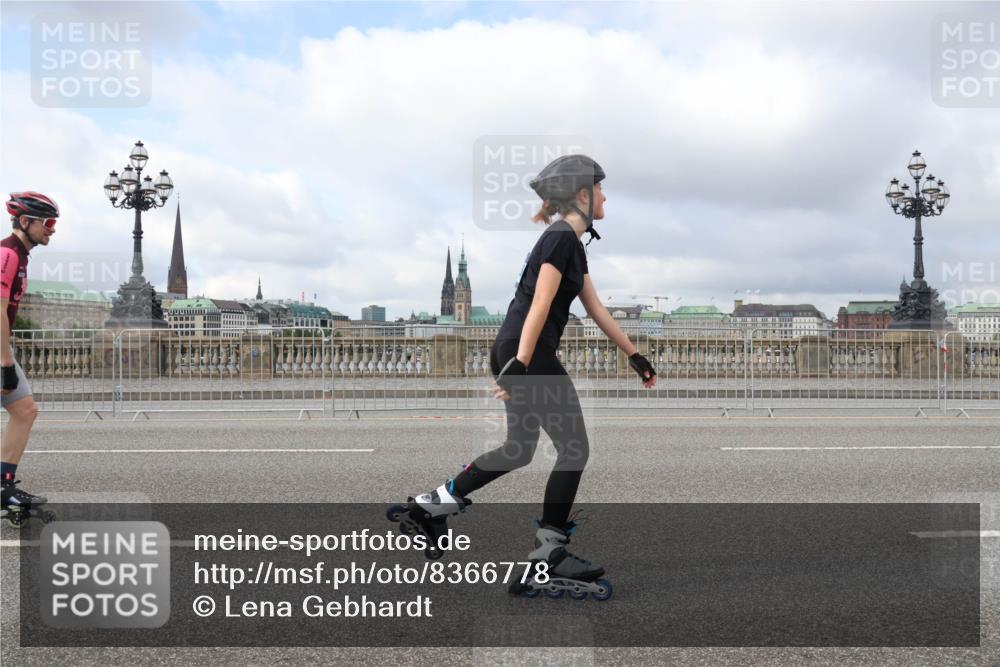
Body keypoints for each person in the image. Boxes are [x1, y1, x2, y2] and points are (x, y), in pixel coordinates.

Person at [388, 156, 656, 598]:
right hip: (526, 355)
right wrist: (523, 362)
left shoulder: (569, 242)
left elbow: (595, 308)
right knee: (574, 448)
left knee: (518, 450)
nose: (607, 197)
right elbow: (540, 303)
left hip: (517, 352)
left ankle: (427, 508)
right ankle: (548, 555)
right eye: (602, 189)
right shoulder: (559, 239)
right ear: (584, 195)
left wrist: (634, 355)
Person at [1, 192, 58, 524]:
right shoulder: (7, 254)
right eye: (47, 223)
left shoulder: (19, 256)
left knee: (25, 410)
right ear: (25, 222)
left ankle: (4, 485)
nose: (51, 230)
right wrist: (5, 362)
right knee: (23, 410)